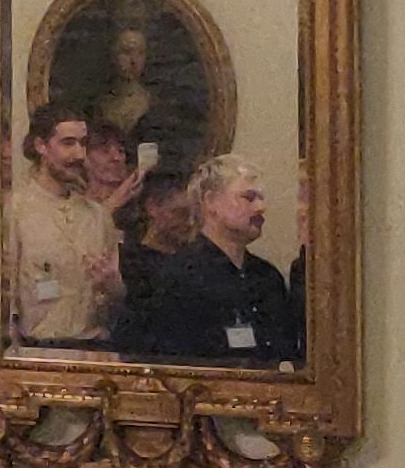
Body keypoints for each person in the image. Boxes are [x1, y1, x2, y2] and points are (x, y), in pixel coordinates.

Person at [116, 154, 305, 367]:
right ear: (210, 201)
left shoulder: (267, 277)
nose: (260, 208)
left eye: (261, 198)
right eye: (248, 198)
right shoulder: (172, 277)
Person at [0, 106, 119, 347]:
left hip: (93, 348)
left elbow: (116, 298)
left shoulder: (97, 217)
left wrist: (113, 285)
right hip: (36, 349)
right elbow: (2, 292)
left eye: (83, 144)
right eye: (68, 143)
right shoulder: (16, 209)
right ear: (41, 146)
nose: (78, 155)